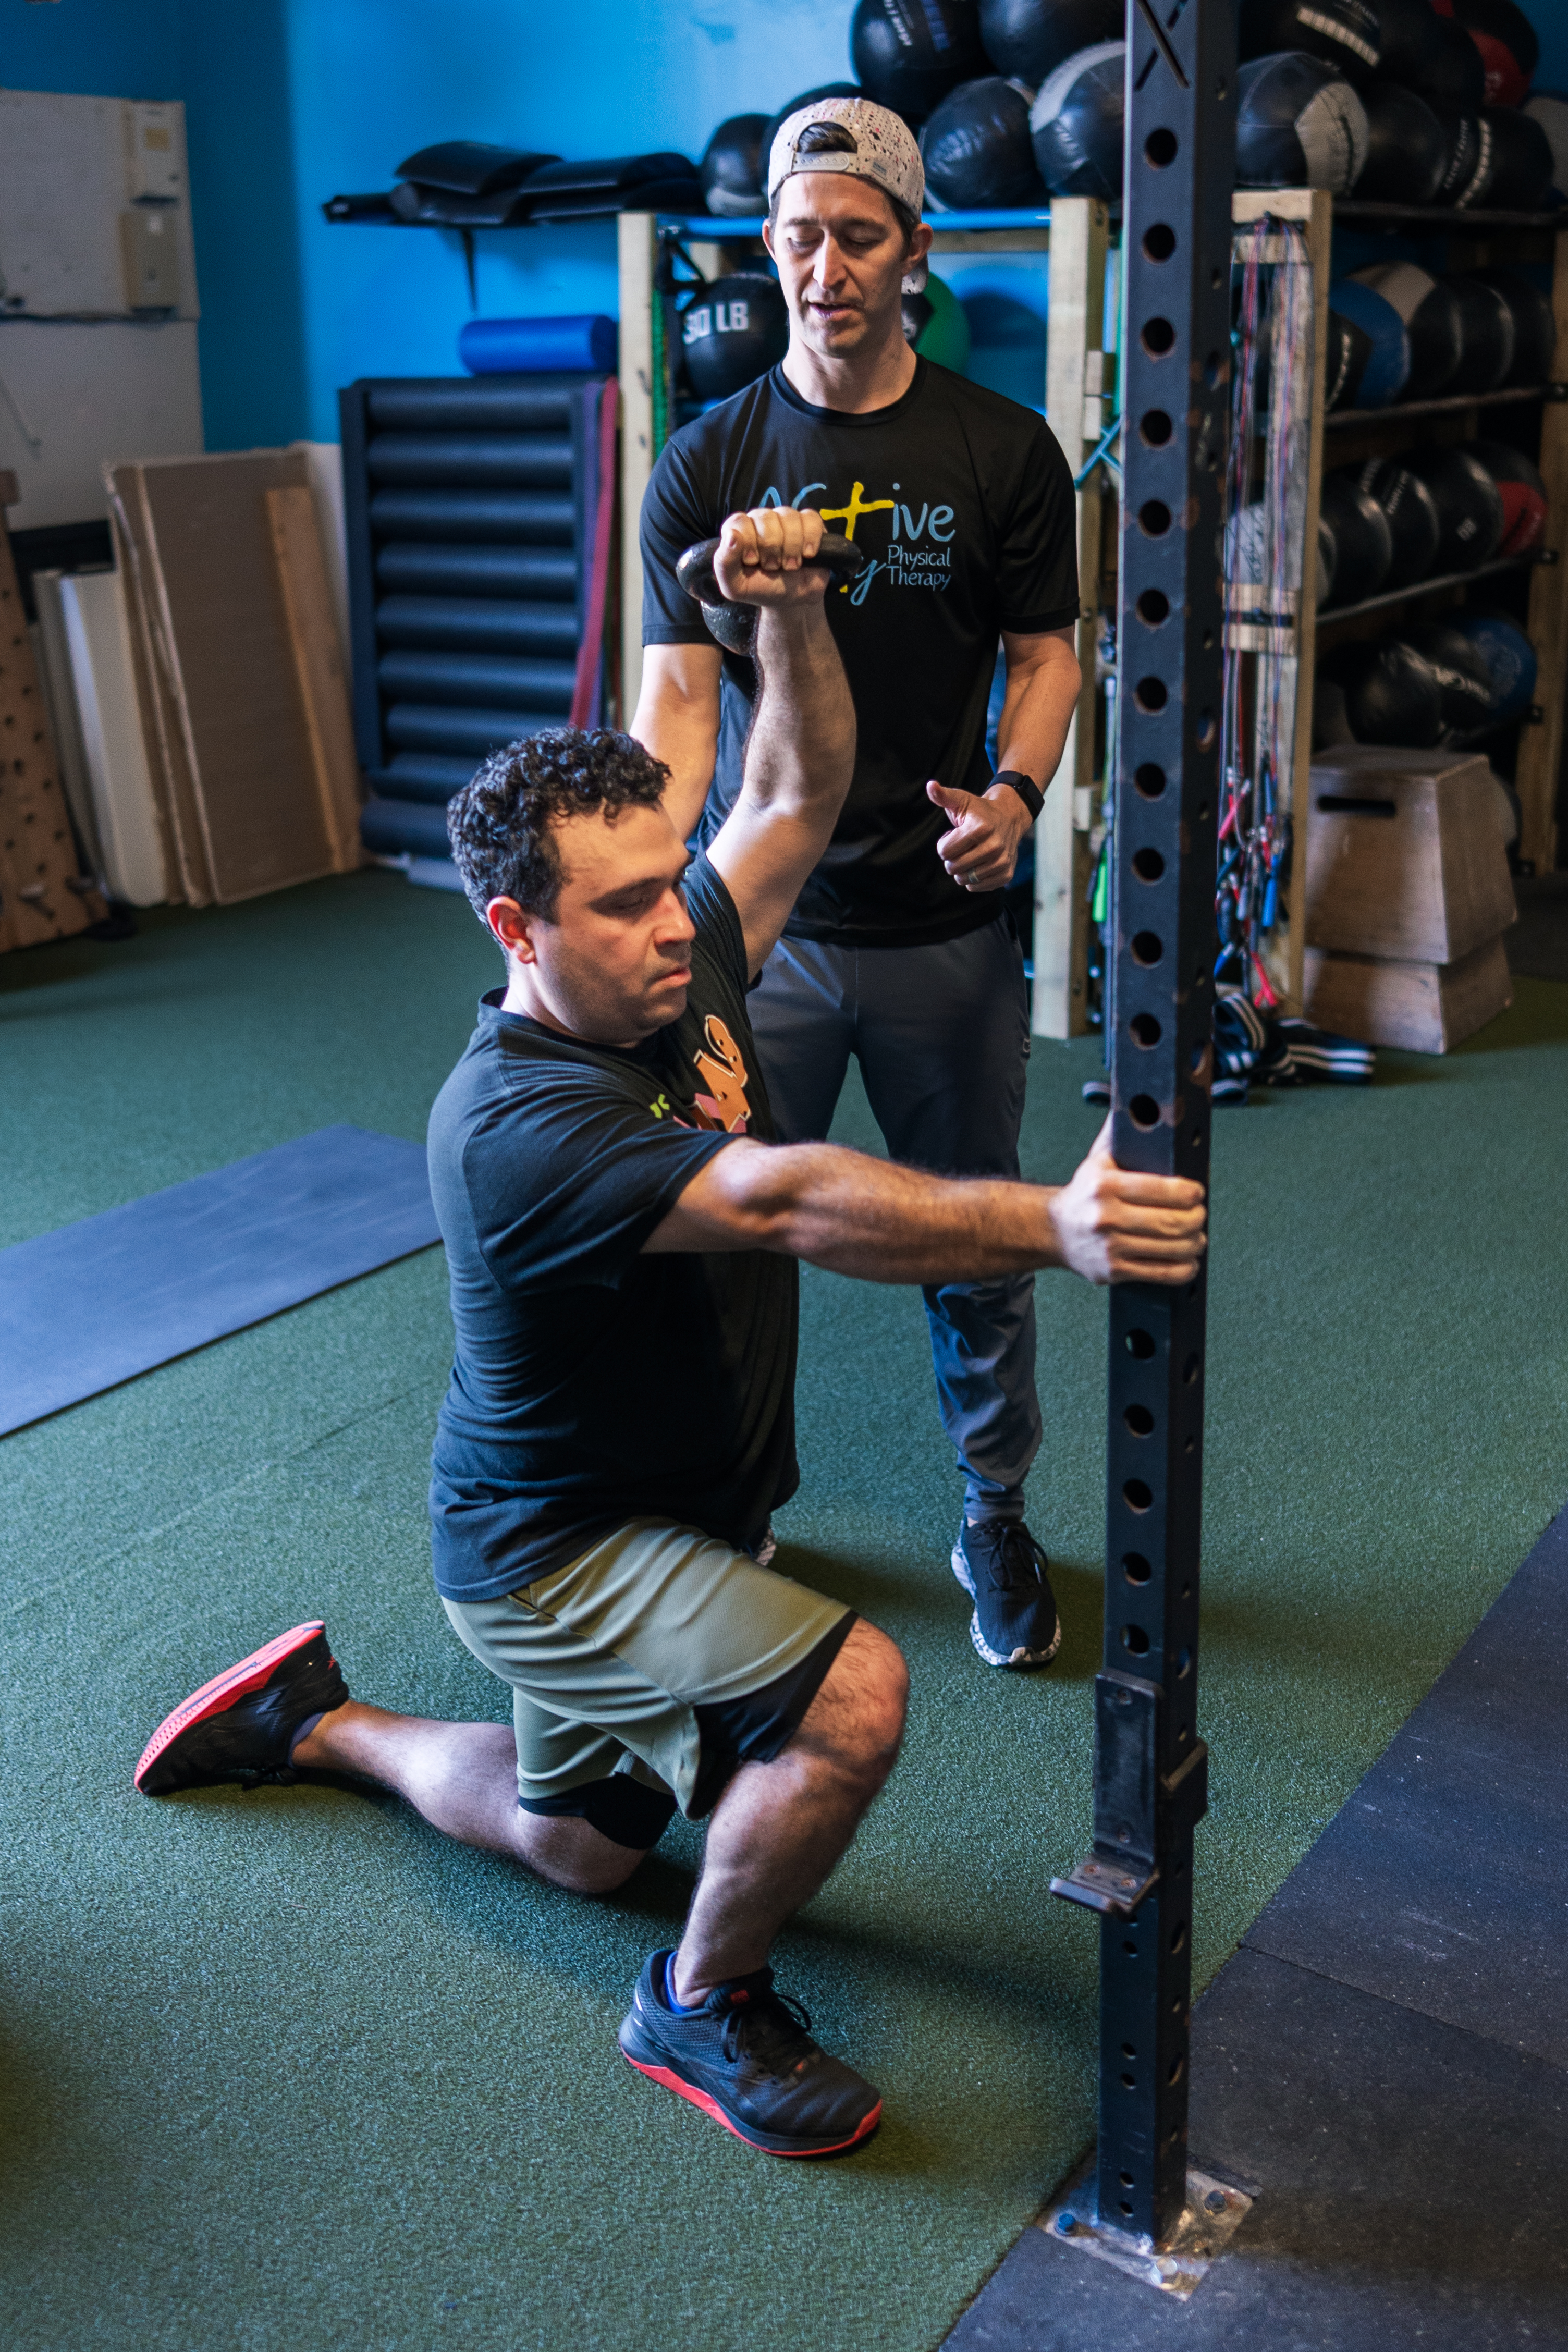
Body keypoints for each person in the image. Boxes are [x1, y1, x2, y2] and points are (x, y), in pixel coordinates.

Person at [134, 509, 1205, 2163]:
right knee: (850, 1699)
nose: (676, 928)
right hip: (555, 1551)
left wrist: (784, 614)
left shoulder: (668, 954)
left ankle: (314, 1720)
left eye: (668, 888)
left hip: (665, 1511)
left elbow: (791, 795)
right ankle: (702, 2002)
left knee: (580, 1849)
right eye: (626, 907)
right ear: (515, 929)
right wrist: (1048, 1227)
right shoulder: (515, 1123)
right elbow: (782, 1200)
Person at [634, 95, 1086, 1676]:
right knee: (733, 1241)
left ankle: (995, 1508)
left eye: (858, 238)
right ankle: (737, 1506)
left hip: (946, 923)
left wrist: (1019, 795)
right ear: (768, 244)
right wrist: (648, 891)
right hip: (762, 944)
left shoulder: (1002, 452)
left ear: (916, 252)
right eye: (798, 236)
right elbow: (677, 708)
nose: (823, 269)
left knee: (971, 1236)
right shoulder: (706, 463)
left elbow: (1048, 656)